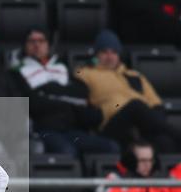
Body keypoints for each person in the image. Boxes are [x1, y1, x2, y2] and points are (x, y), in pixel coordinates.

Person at [11, 28, 118, 159]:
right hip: (44, 130)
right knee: (67, 152)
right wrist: (65, 100)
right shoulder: (18, 71)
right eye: (31, 41)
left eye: (41, 41)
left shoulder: (61, 67)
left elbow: (81, 93)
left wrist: (48, 92)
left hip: (72, 129)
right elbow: (32, 102)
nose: (37, 45)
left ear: (48, 45)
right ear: (25, 45)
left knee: (111, 147)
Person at [77, 30, 181, 154]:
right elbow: (82, 110)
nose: (110, 56)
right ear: (96, 54)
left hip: (141, 122)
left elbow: (156, 104)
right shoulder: (85, 74)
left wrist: (154, 122)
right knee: (135, 105)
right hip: (111, 124)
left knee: (165, 142)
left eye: (114, 52)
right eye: (104, 52)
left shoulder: (134, 75)